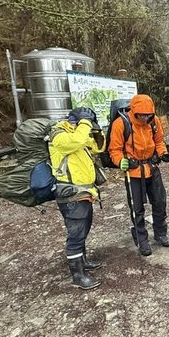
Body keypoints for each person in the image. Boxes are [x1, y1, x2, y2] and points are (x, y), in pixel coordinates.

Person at [107, 94, 169, 256]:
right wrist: (120, 161)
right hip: (133, 171)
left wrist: (164, 153)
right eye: (142, 115)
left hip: (152, 167)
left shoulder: (154, 121)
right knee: (136, 208)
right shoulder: (121, 123)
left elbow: (159, 141)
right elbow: (114, 150)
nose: (145, 118)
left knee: (159, 202)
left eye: (148, 115)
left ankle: (160, 233)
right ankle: (141, 238)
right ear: (134, 111)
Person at [49, 107, 107, 290]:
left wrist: (96, 131)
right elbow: (78, 140)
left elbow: (98, 147)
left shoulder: (77, 134)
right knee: (76, 232)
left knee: (84, 227)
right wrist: (85, 123)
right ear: (76, 121)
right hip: (70, 193)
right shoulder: (59, 135)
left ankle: (83, 261)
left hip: (84, 192)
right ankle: (78, 275)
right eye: (84, 123)